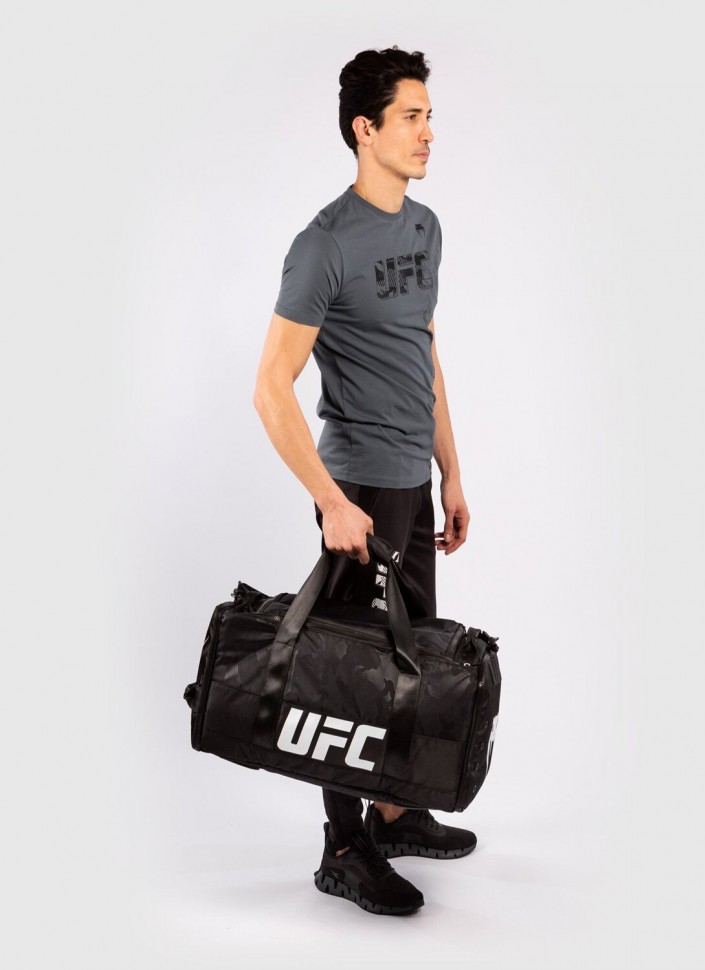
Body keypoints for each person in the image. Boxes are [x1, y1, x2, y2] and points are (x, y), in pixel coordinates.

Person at [253, 46, 474, 916]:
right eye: (411, 117)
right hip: (358, 491)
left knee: (409, 655)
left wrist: (451, 470)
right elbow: (271, 389)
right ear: (365, 130)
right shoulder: (324, 246)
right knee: (349, 673)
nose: (428, 132)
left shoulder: (426, 228)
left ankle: (392, 809)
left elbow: (424, 350)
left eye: (429, 116)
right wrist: (333, 501)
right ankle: (343, 848)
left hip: (413, 484)